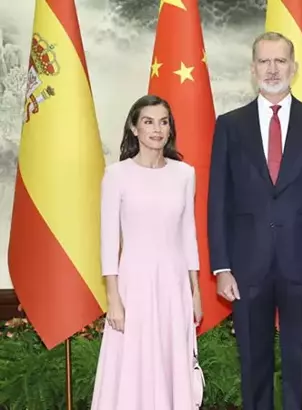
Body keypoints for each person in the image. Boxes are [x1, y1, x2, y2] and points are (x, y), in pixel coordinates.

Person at [207, 31, 302, 410]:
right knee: (253, 362)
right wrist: (222, 267)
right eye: (264, 61)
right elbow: (218, 200)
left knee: (301, 359)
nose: (272, 69)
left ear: (293, 67)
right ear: (253, 69)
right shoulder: (230, 125)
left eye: (280, 61)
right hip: (246, 265)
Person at [91, 95, 204, 409]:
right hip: (134, 285)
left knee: (172, 362)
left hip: (174, 286)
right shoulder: (117, 175)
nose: (157, 129)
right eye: (148, 122)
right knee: (133, 364)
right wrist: (113, 299)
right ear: (134, 128)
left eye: (163, 122)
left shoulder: (185, 174)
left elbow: (188, 234)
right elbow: (108, 241)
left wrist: (195, 291)